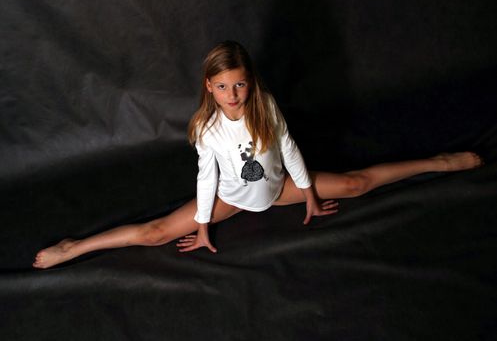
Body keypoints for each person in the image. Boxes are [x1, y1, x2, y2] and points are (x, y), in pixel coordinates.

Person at [33, 41, 482, 269]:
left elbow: (287, 148)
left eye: (240, 84)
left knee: (355, 183)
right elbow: (206, 181)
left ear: (250, 81)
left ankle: (436, 162)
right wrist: (205, 224)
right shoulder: (206, 128)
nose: (233, 94)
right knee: (155, 233)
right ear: (209, 86)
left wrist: (306, 193)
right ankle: (75, 248)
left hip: (279, 188)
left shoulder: (264, 105)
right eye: (223, 86)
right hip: (230, 198)